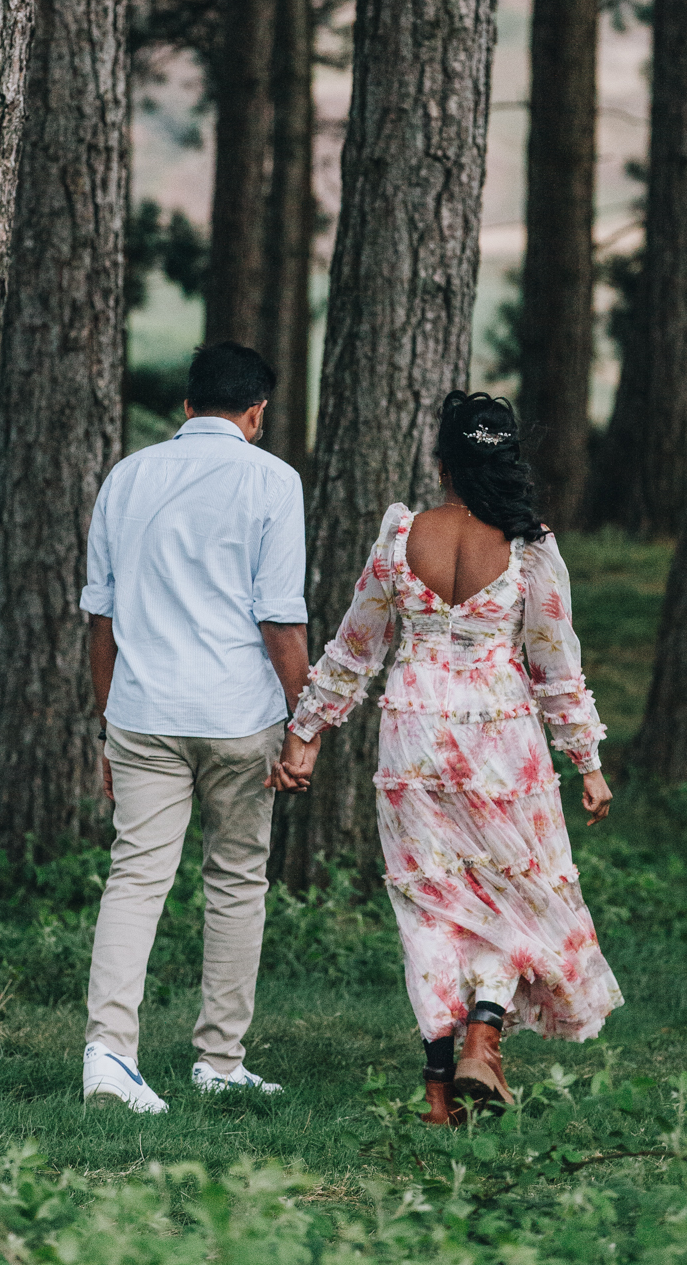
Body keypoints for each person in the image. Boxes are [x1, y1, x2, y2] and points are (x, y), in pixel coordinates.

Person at [272, 391, 623, 1124]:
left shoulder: (402, 537)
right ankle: (484, 1032)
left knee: (430, 906)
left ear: (441, 462)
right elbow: (556, 667)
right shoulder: (529, 548)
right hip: (501, 743)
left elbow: (352, 649)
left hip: (415, 742)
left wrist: (305, 737)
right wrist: (586, 763)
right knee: (506, 890)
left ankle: (438, 1092)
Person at [80, 340, 313, 1113]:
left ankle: (110, 1054)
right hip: (237, 716)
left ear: (186, 406)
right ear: (257, 413)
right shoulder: (274, 481)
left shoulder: (126, 476)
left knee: (136, 877)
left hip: (141, 712)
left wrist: (107, 725)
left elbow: (100, 618)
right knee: (237, 880)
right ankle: (218, 1059)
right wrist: (303, 723)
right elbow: (280, 620)